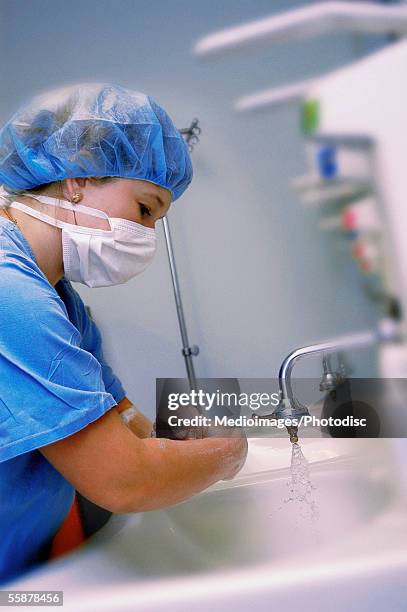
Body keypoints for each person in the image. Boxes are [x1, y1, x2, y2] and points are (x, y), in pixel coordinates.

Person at [0, 83, 248, 584]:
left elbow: (117, 412)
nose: (147, 236)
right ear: (79, 179)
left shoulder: (57, 297)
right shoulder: (12, 292)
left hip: (25, 567)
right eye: (144, 208)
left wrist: (166, 436)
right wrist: (228, 453)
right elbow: (123, 480)